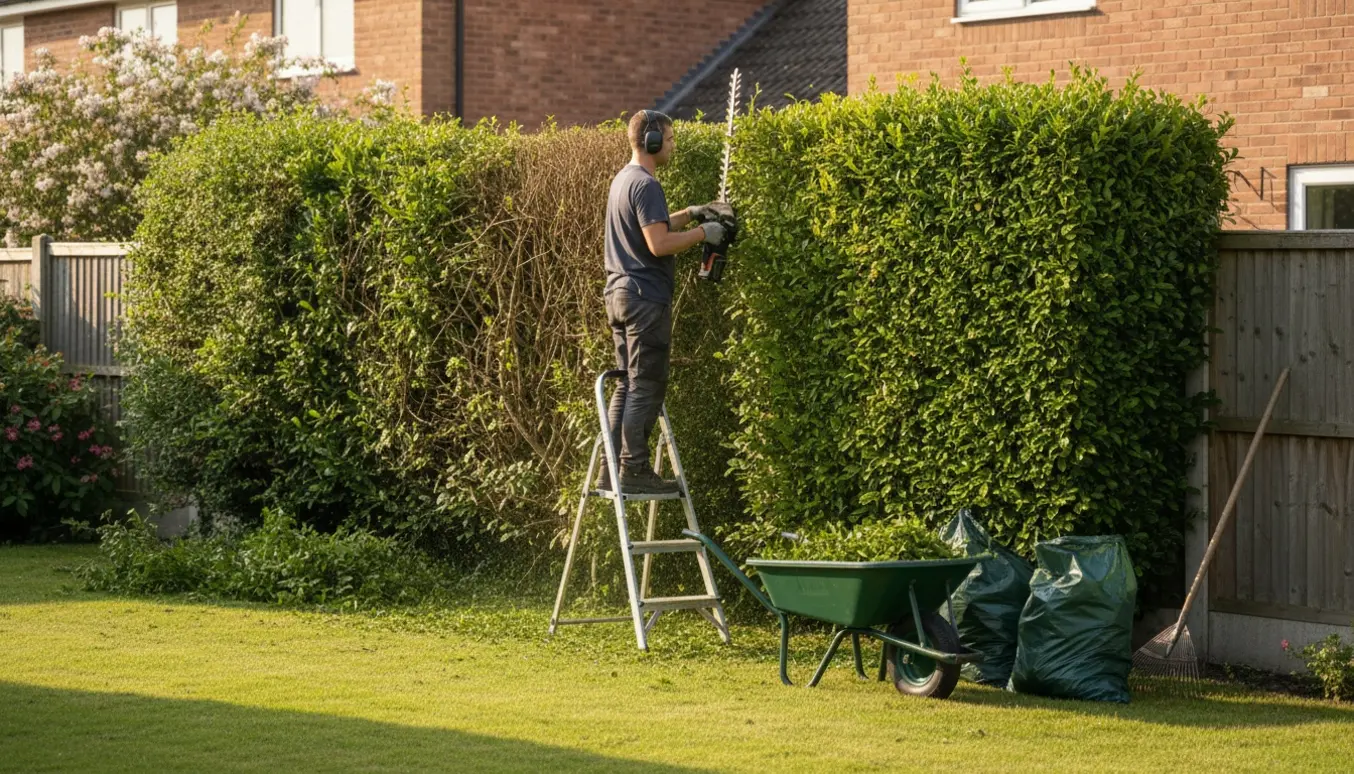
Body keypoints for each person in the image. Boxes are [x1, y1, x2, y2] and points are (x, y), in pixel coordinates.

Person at [600, 110, 726, 494]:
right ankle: (635, 470)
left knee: (626, 383)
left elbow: (651, 227)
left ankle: (612, 470)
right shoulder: (648, 185)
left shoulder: (625, 180)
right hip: (644, 299)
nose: (672, 146)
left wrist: (691, 214)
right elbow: (657, 244)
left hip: (620, 295)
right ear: (652, 141)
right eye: (669, 140)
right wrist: (706, 231)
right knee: (646, 385)